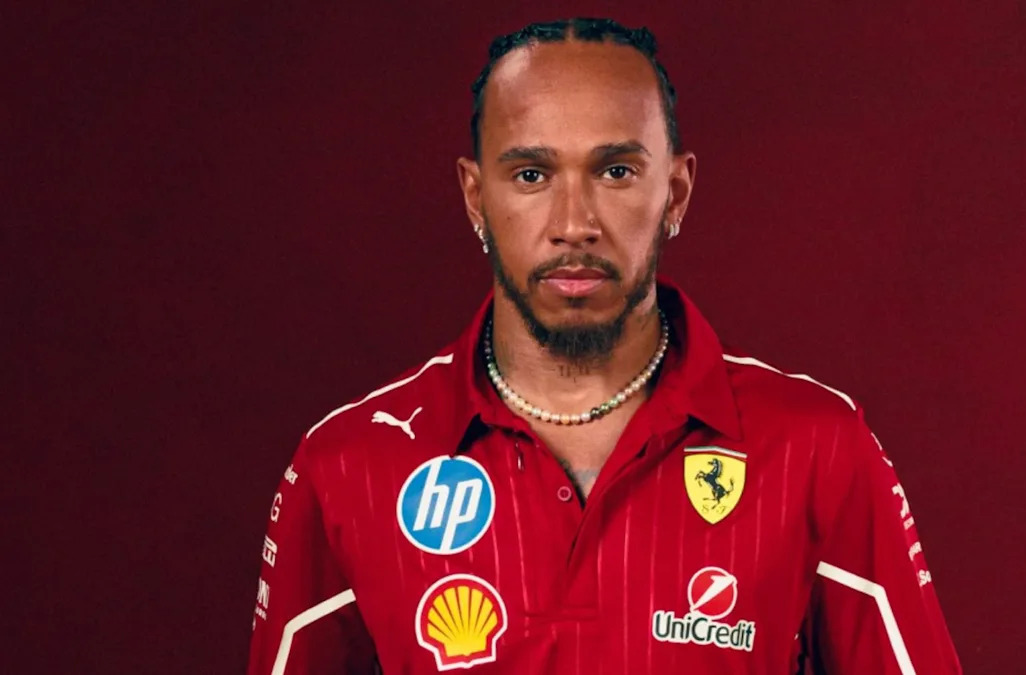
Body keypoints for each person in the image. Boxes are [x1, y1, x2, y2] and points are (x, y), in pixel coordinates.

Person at [246, 17, 962, 675]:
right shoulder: (348, 467)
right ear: (475, 197)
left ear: (675, 192)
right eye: (531, 175)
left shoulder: (818, 449)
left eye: (616, 171)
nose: (574, 223)